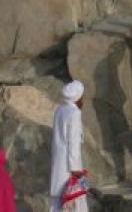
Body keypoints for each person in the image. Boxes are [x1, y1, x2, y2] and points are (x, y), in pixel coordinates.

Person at [49, 81, 87, 212]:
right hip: (68, 164)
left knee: (58, 201)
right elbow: (73, 143)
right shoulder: (74, 113)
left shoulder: (60, 109)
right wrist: (75, 169)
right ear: (77, 97)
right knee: (72, 199)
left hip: (58, 161)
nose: (83, 99)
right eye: (82, 96)